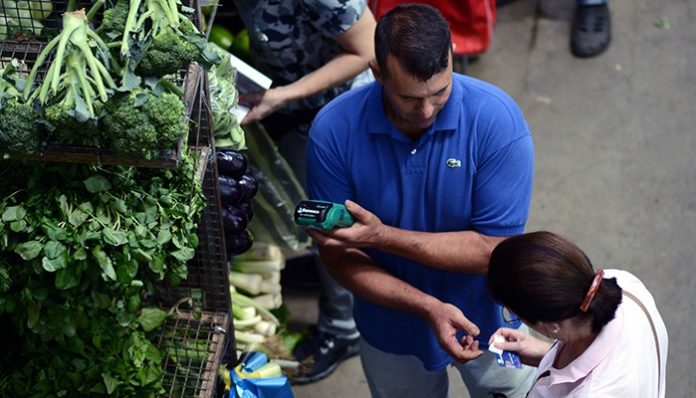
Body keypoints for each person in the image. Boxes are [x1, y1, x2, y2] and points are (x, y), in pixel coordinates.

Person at [305, 4, 536, 397]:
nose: (427, 110)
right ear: (377, 72)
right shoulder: (332, 133)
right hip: (390, 326)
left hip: (494, 322)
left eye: (440, 92)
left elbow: (493, 251)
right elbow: (339, 257)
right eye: (409, 98)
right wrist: (427, 306)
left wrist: (380, 237)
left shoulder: (498, 121)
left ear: (451, 57)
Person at [230, 0, 377, 384]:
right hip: (290, 105)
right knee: (311, 215)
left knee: (332, 222)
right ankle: (324, 275)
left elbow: (368, 48)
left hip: (338, 109)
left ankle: (343, 330)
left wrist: (284, 95)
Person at [486, 231, 668, 397]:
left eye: (515, 314)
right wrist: (546, 355)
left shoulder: (593, 393)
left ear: (552, 325)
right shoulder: (623, 285)